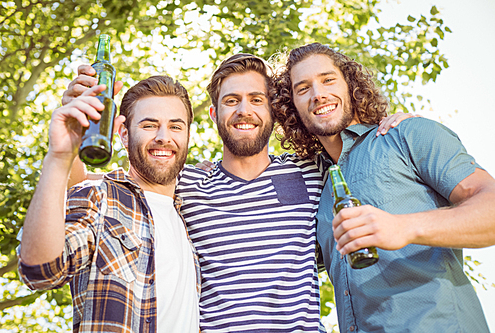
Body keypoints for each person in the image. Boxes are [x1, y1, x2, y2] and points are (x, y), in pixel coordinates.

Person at [62, 54, 411, 332]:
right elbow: (84, 185)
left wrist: (391, 125)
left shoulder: (312, 170)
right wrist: (72, 130)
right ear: (215, 114)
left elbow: (357, 154)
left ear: (272, 111)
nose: (244, 110)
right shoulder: (184, 183)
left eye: (256, 99)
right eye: (232, 100)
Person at [273, 42, 495, 332]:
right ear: (293, 106)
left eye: (328, 80)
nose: (318, 94)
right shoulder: (318, 185)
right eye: (303, 89)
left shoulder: (406, 134)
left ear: (350, 85)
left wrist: (404, 227)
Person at [17, 76, 201, 332]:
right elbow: (42, 271)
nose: (163, 137)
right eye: (149, 125)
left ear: (188, 135)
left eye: (175, 127)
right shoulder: (101, 197)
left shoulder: (194, 211)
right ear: (124, 134)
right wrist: (59, 159)